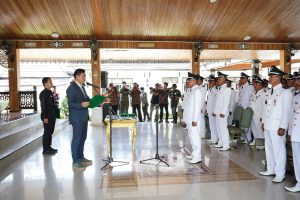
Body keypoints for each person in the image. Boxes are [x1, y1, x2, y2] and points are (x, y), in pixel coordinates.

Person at [259, 66, 292, 183]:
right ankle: (271, 169)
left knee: (279, 150)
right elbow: (265, 108)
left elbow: (286, 111)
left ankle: (280, 173)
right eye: (270, 76)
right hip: (268, 125)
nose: (270, 78)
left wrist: (283, 126)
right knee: (269, 149)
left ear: (279, 77)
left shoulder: (285, 93)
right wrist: (263, 122)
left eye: (272, 76)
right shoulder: (269, 91)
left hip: (277, 126)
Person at [66, 68, 92, 169]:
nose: (85, 78)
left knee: (83, 138)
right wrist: (81, 104)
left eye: (85, 76)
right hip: (77, 118)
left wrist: (98, 101)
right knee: (77, 139)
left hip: (84, 117)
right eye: (83, 76)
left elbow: (87, 99)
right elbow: (70, 103)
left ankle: (81, 157)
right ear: (77, 77)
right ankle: (75, 161)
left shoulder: (82, 87)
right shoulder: (71, 88)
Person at [285, 73, 300, 192]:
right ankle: (299, 183)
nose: (295, 81)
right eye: (295, 79)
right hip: (296, 133)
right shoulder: (294, 95)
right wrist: (290, 132)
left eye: (297, 79)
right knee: (297, 159)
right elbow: (291, 116)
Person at [184, 74, 203, 164]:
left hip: (194, 119)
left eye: (189, 81)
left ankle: (197, 156)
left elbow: (197, 107)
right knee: (192, 137)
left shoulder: (197, 91)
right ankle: (194, 153)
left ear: (194, 81)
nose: (188, 82)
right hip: (189, 118)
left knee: (195, 137)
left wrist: (194, 120)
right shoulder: (192, 90)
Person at [212, 71, 231, 151]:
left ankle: (226, 145)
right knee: (219, 128)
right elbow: (217, 102)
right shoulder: (220, 89)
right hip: (218, 112)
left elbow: (226, 102)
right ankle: (221, 142)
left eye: (219, 79)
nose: (218, 80)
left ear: (223, 79)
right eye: (218, 79)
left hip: (222, 113)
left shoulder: (227, 89)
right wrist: (214, 111)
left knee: (223, 129)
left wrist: (223, 112)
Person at [39, 77, 57, 155]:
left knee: (50, 131)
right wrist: (45, 117)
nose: (51, 83)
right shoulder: (43, 93)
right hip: (47, 116)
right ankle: (45, 149)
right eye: (50, 82)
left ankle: (49, 147)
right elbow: (43, 106)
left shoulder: (50, 92)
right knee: (47, 132)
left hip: (52, 115)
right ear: (45, 83)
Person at [236, 72, 254, 142]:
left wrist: (249, 107)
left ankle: (248, 138)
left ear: (247, 79)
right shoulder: (241, 87)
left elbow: (251, 98)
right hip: (240, 108)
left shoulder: (250, 87)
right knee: (241, 124)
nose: (241, 79)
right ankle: (243, 137)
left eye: (243, 78)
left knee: (247, 124)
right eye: (241, 78)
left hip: (246, 108)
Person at [248, 76, 266, 147]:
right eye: (254, 84)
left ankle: (261, 144)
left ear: (261, 85)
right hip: (252, 114)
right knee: (254, 128)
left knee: (259, 130)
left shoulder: (264, 94)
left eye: (256, 84)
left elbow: (264, 107)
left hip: (259, 115)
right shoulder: (254, 93)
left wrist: (262, 116)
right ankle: (255, 140)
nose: (254, 86)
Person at [206, 75, 218, 144]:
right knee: (211, 125)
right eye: (209, 82)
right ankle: (213, 138)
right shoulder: (210, 90)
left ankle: (215, 139)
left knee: (215, 125)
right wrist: (207, 110)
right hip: (210, 110)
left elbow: (216, 102)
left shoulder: (216, 90)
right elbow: (209, 101)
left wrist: (214, 110)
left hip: (214, 111)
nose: (209, 83)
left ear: (214, 82)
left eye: (211, 82)